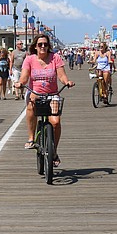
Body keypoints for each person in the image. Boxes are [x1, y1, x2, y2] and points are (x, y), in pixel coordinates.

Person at [15, 34, 75, 166]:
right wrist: (20, 83)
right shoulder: (29, 59)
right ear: (35, 46)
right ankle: (31, 138)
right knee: (30, 107)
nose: (43, 47)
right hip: (35, 92)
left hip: (52, 93)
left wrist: (67, 82)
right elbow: (24, 77)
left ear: (49, 46)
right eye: (40, 44)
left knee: (55, 122)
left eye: (45, 44)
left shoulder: (55, 58)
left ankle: (53, 150)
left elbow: (62, 76)